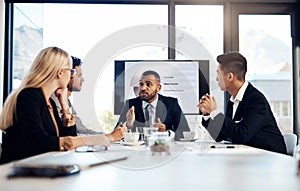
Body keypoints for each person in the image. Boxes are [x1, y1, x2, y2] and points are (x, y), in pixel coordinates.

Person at [0, 47, 109, 164]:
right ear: (60, 73)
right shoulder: (29, 96)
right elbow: (38, 142)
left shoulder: (49, 102)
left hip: (38, 168)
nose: (71, 76)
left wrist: (64, 106)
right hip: (17, 174)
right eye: (71, 72)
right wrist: (91, 140)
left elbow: (68, 138)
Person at [198, 51, 287, 154]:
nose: (217, 79)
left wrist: (215, 112)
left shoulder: (256, 100)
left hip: (271, 159)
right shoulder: (233, 100)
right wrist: (207, 115)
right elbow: (221, 136)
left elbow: (241, 135)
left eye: (218, 74)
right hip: (251, 157)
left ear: (230, 77)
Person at [51, 56, 124, 141]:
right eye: (79, 75)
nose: (82, 79)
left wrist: (109, 135)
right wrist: (107, 137)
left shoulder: (66, 101)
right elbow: (69, 136)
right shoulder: (54, 100)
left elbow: (81, 130)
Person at [117, 70, 190, 140]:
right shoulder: (130, 104)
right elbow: (116, 133)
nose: (143, 88)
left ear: (158, 88)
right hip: (137, 150)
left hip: (163, 148)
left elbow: (185, 132)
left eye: (148, 84)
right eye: (141, 84)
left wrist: (166, 133)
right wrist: (128, 125)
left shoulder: (171, 103)